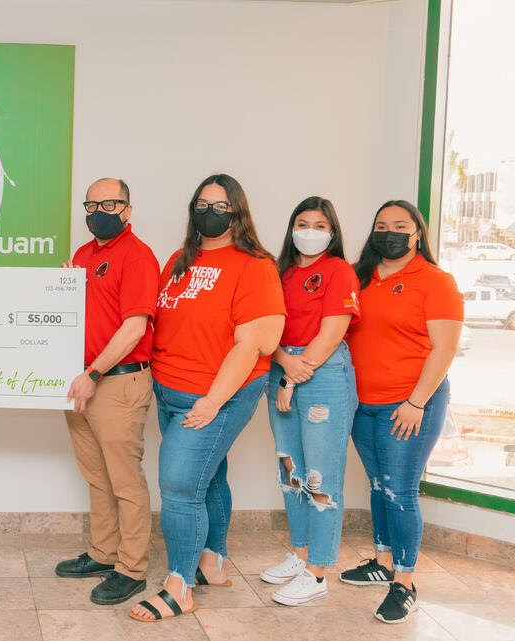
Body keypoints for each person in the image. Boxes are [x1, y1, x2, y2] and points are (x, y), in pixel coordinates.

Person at [130, 174, 285, 622]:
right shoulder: (180, 260)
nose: (210, 212)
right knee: (209, 476)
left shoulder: (254, 265)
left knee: (179, 487)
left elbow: (254, 344)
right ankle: (212, 560)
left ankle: (179, 585)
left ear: (238, 213)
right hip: (170, 388)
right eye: (202, 203)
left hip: (217, 392)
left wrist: (213, 402)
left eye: (220, 205)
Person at [341, 200, 462, 624]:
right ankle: (381, 560)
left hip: (409, 406)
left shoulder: (435, 281)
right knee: (378, 485)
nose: (389, 232)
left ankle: (405, 582)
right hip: (363, 405)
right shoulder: (361, 277)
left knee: (401, 490)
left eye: (399, 225)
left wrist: (416, 402)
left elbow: (444, 349)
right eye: (381, 225)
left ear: (417, 234)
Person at [55, 178, 160, 605]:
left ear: (128, 210)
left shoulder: (137, 256)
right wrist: (61, 292)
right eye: (92, 203)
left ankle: (131, 569)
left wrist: (93, 374)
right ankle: (103, 552)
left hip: (115, 382)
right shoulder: (83, 254)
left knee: (124, 481)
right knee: (97, 477)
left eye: (110, 203)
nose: (100, 210)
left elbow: (134, 327)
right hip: (82, 382)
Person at [259, 197, 360, 606]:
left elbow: (333, 330)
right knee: (290, 467)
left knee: (321, 475)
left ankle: (318, 571)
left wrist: (292, 375)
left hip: (323, 374)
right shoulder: (278, 272)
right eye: (303, 223)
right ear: (291, 228)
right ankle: (299, 555)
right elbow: (267, 327)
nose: (311, 231)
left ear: (332, 232)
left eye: (320, 225)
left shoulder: (339, 270)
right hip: (284, 365)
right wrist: (284, 365)